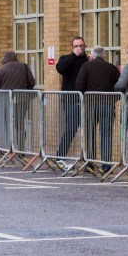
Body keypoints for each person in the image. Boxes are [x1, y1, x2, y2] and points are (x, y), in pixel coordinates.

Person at [76, 45, 121, 172]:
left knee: (89, 133)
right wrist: (113, 99)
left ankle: (89, 162)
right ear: (104, 55)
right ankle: (106, 164)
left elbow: (79, 85)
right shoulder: (112, 68)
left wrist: (83, 97)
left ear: (92, 55)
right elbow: (119, 86)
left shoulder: (86, 66)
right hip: (107, 104)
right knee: (106, 134)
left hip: (90, 104)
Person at [55, 37, 88, 168]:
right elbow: (60, 69)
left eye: (81, 45)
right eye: (76, 46)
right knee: (71, 128)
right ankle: (60, 156)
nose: (79, 48)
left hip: (86, 100)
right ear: (72, 47)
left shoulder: (87, 60)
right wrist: (74, 55)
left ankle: (87, 159)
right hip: (70, 100)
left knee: (87, 130)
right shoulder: (66, 59)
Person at [0, 51, 36, 152]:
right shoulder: (24, 67)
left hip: (6, 100)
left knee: (7, 123)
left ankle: (7, 147)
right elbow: (32, 82)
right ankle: (21, 148)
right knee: (20, 123)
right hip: (23, 99)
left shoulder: (1, 69)